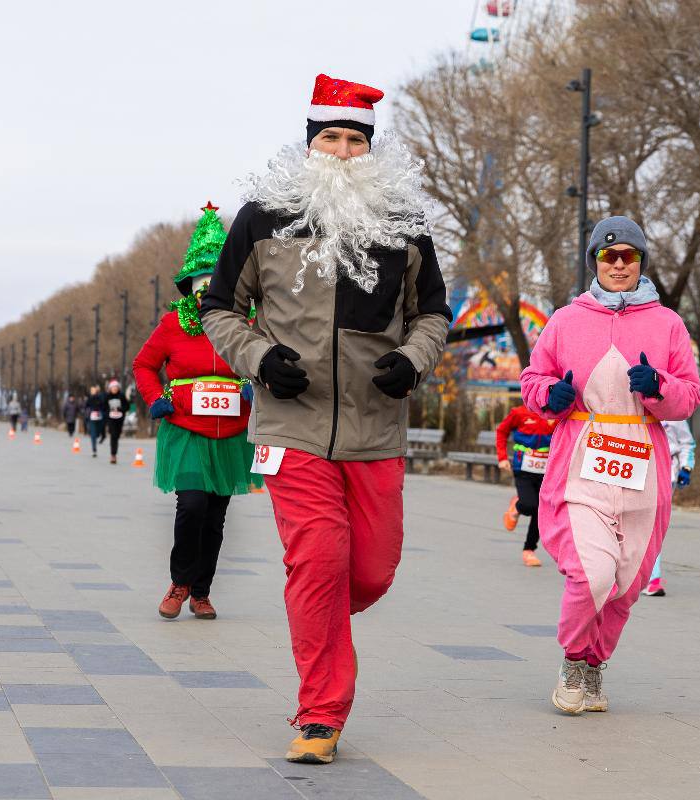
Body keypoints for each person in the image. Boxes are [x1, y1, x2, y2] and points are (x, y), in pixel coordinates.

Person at [202, 73, 451, 765]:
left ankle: (319, 625)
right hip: (291, 427)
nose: (341, 151)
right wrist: (257, 357)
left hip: (376, 430)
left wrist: (412, 358)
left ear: (369, 150)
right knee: (317, 564)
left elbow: (432, 313)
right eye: (329, 138)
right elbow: (217, 308)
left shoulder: (404, 222)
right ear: (309, 144)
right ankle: (319, 715)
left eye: (353, 140)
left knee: (367, 572)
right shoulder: (261, 216)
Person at [519, 216, 700, 716]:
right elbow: (533, 378)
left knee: (625, 585)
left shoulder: (667, 323)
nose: (618, 265)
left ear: (641, 261)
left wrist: (660, 387)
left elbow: (689, 395)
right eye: (608, 256)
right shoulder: (565, 319)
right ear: (595, 261)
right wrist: (548, 395)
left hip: (643, 464)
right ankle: (573, 659)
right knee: (592, 574)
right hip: (582, 458)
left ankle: (596, 664)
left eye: (628, 256)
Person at [134, 202, 262, 622]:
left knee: (215, 517)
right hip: (186, 428)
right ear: (188, 286)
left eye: (214, 280)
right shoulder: (173, 325)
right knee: (191, 507)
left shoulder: (246, 322)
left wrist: (251, 386)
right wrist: (156, 398)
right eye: (199, 282)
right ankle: (179, 581)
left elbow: (261, 362)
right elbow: (144, 364)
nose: (206, 288)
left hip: (230, 434)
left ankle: (201, 592)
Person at [495, 404, 558, 567]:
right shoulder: (519, 413)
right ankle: (517, 507)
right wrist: (502, 457)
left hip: (546, 470)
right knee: (530, 505)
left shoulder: (556, 414)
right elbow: (502, 431)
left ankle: (529, 550)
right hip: (522, 467)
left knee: (541, 511)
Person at [642, 418, 696, 597]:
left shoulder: (674, 413)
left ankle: (653, 579)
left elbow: (687, 442)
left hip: (665, 473)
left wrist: (686, 468)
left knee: (653, 527)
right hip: (635, 470)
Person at [104, 379, 131, 464]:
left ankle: (114, 453)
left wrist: (120, 409)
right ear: (110, 388)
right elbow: (104, 407)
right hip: (111, 419)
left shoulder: (121, 396)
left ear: (118, 388)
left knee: (117, 435)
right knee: (113, 435)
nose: (114, 389)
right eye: (113, 387)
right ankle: (113, 455)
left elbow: (127, 406)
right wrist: (109, 411)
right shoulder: (108, 396)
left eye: (116, 387)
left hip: (119, 419)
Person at [83, 385, 106, 457]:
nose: (93, 391)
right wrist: (87, 412)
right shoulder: (89, 399)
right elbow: (86, 407)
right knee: (93, 434)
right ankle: (94, 449)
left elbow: (104, 406)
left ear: (96, 391)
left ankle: (97, 436)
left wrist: (101, 412)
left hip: (99, 417)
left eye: (94, 390)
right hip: (91, 418)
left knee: (97, 433)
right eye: (91, 390)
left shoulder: (100, 397)